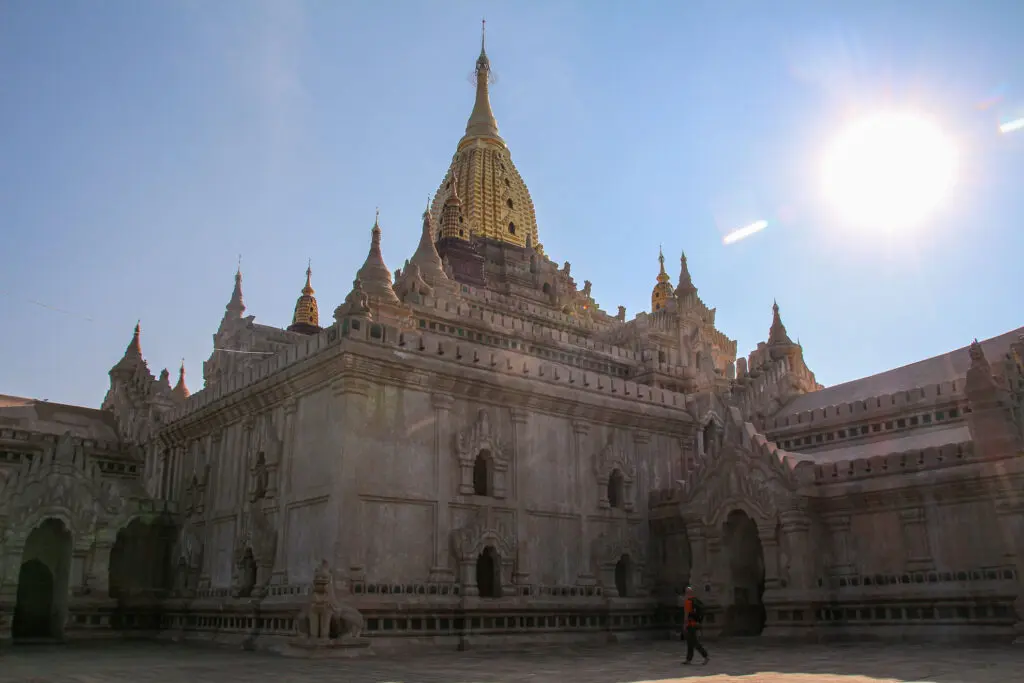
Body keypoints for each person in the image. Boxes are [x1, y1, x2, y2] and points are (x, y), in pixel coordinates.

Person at [682, 585, 709, 665]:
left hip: (690, 624)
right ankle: (688, 659)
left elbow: (686, 614)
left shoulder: (688, 601)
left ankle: (705, 656)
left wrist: (684, 624)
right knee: (690, 642)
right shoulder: (696, 600)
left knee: (694, 642)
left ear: (687, 593)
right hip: (696, 623)